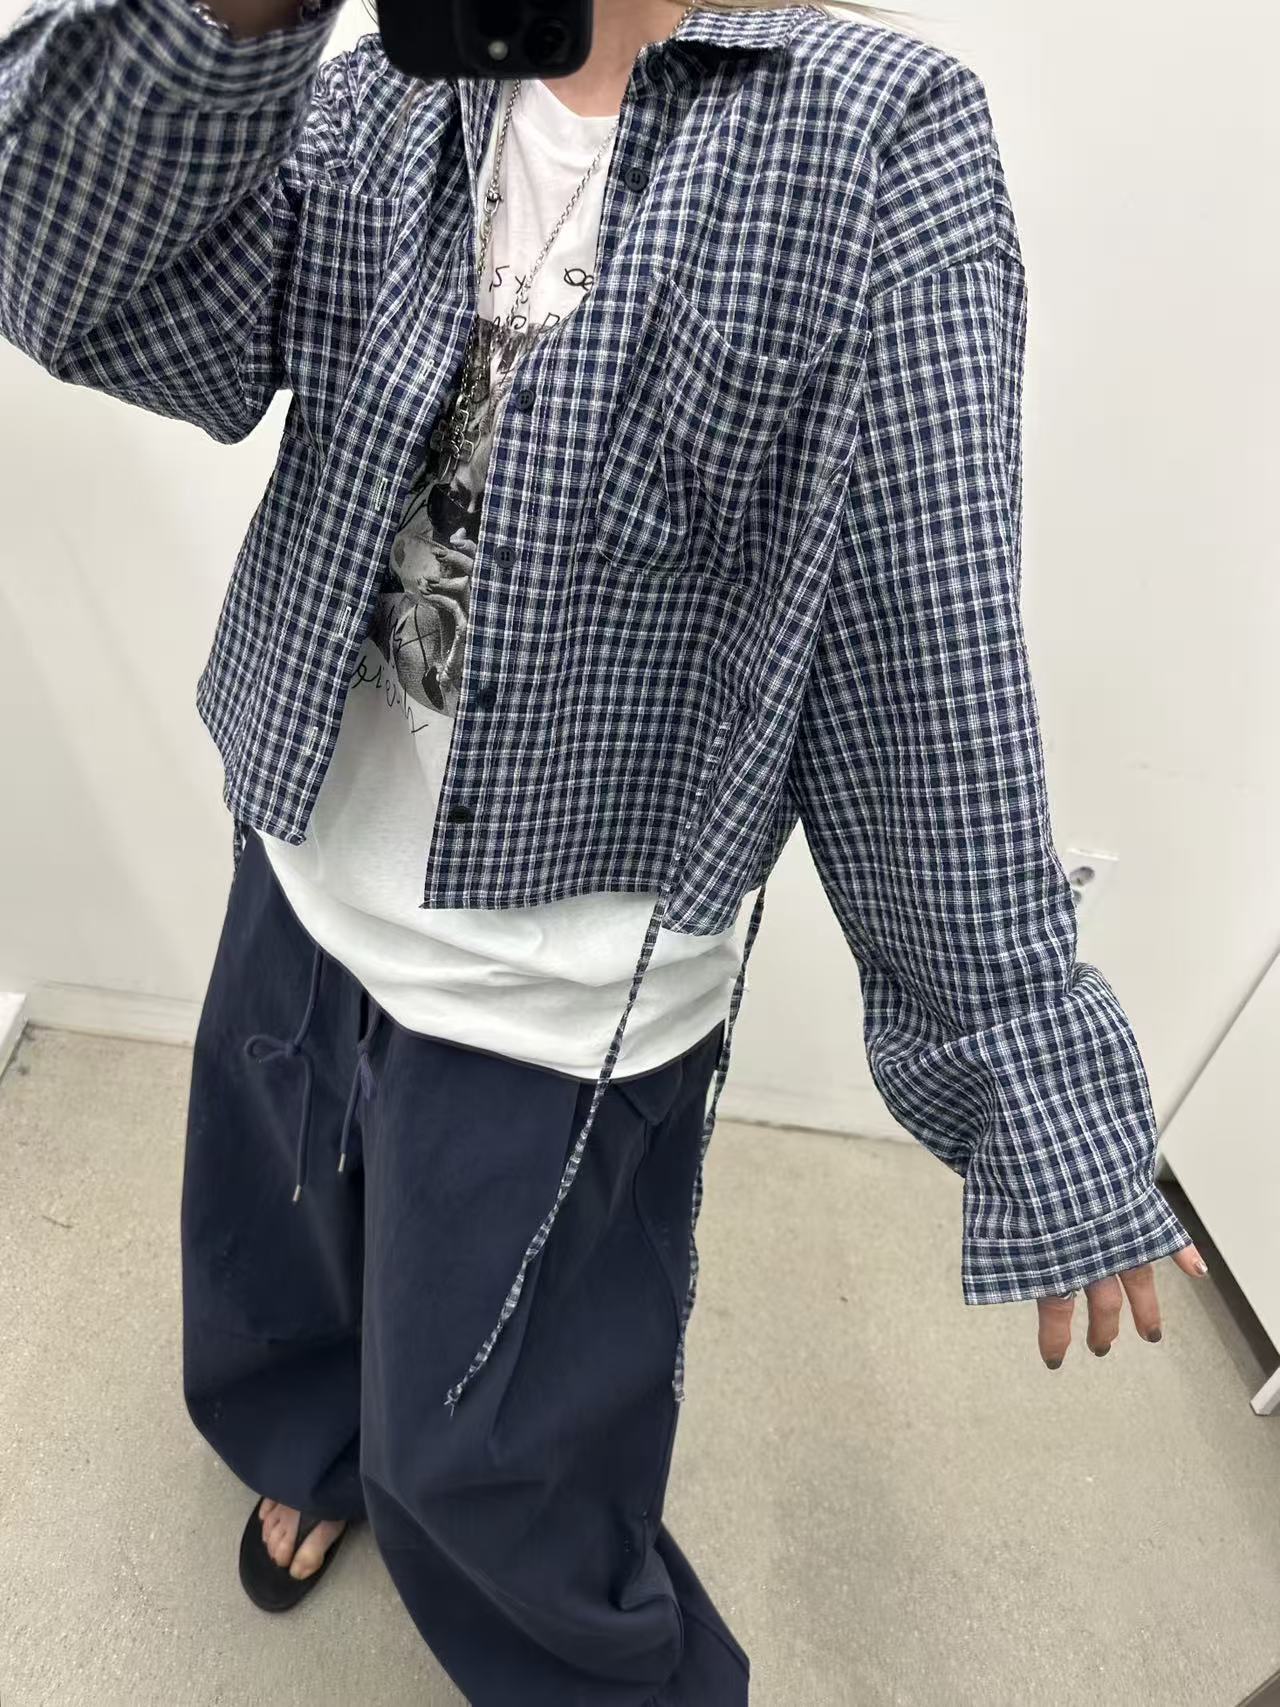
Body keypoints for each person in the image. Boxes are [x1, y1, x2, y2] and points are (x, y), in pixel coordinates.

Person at [0, 0, 1209, 1699]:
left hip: (565, 985)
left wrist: (1021, 1061)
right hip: (300, 860)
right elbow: (78, 280)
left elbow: (918, 636)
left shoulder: (873, 139)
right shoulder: (387, 83)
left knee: (498, 1464)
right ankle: (306, 1441)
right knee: (279, 1257)